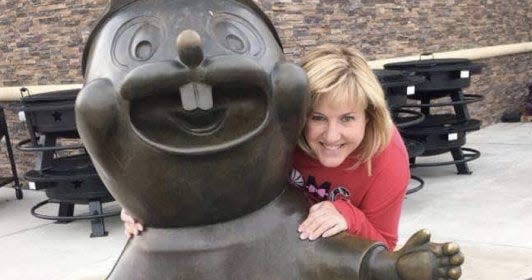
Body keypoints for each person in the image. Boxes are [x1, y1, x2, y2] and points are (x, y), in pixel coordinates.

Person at [122, 43, 410, 250]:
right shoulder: (277, 132)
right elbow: (212, 174)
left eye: (347, 118)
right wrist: (151, 202)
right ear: (297, 113)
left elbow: (384, 245)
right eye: (318, 117)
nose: (332, 136)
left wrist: (349, 216)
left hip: (328, 265)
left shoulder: (387, 158)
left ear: (369, 116)